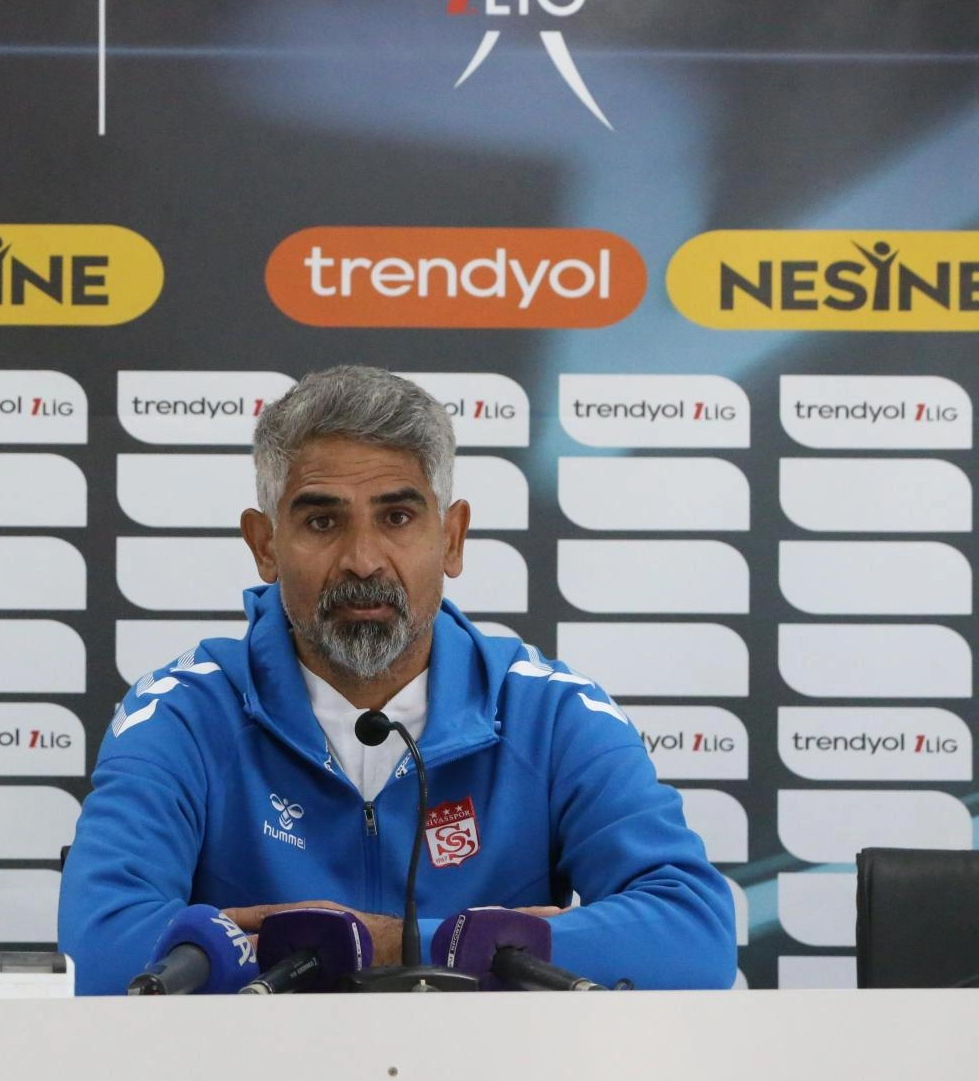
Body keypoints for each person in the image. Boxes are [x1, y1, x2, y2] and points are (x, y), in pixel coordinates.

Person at [58, 366, 736, 995]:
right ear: (265, 545)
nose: (362, 560)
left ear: (452, 538)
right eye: (322, 521)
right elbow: (102, 947)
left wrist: (396, 946)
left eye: (398, 518)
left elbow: (694, 937)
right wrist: (487, 948)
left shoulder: (551, 712)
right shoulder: (183, 713)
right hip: (250, 1079)